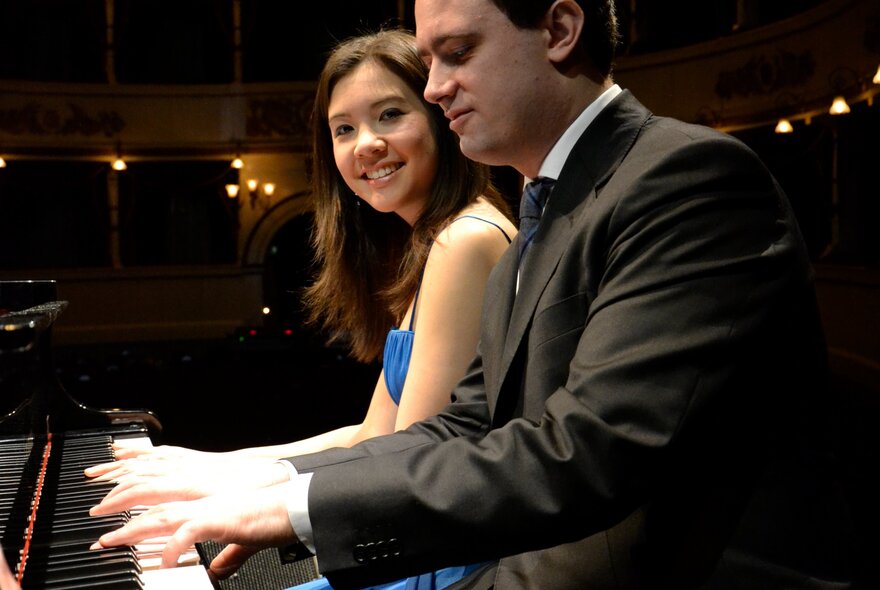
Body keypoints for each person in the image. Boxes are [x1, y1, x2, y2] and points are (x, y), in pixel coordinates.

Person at [89, 1, 856, 588]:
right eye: (427, 61)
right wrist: (266, 485)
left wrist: (286, 509)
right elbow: (459, 427)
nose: (434, 88)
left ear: (559, 29)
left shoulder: (686, 179)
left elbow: (583, 456)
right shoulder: (540, 210)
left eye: (456, 54)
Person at [87, 27, 514, 589]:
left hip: (447, 564)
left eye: (389, 115)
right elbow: (370, 434)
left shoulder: (465, 241)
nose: (365, 143)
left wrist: (247, 497)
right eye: (344, 128)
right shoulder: (434, 245)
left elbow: (407, 464)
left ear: (439, 115)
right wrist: (208, 465)